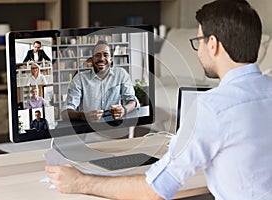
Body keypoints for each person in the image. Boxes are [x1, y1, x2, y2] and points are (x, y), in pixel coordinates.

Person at [46, 0, 272, 199]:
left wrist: (80, 182)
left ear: (212, 44)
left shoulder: (212, 108)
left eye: (199, 41)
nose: (198, 51)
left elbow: (154, 190)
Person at [61, 40, 139, 122]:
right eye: (97, 55)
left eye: (105, 55)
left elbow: (132, 100)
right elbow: (65, 113)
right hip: (88, 129)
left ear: (111, 59)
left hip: (115, 126)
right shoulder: (79, 79)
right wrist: (83, 116)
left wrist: (124, 110)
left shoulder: (121, 74)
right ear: (91, 60)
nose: (101, 59)